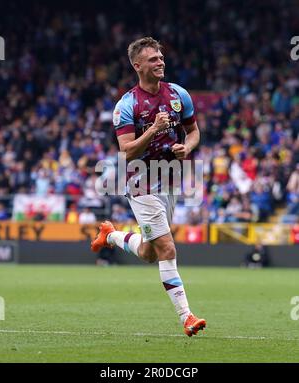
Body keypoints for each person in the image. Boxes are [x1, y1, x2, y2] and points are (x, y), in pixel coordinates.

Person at [91, 37, 206, 337]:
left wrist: (187, 148)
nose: (160, 62)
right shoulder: (126, 105)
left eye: (161, 57)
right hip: (139, 180)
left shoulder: (179, 94)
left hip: (169, 179)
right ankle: (187, 316)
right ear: (137, 65)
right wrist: (153, 129)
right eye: (153, 59)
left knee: (150, 252)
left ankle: (112, 235)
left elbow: (193, 131)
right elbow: (126, 151)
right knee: (167, 246)